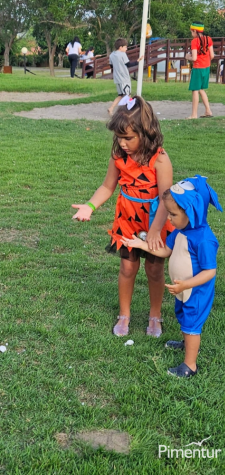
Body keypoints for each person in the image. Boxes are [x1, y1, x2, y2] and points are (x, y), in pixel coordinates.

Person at [71, 96, 174, 338]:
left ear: (146, 132)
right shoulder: (119, 158)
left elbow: (166, 200)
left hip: (154, 222)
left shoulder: (160, 159)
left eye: (128, 138)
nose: (123, 143)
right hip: (127, 221)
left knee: (155, 270)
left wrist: (154, 232)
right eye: (119, 137)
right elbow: (107, 187)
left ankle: (155, 315)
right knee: (127, 268)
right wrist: (89, 206)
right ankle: (124, 315)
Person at [121, 175, 222, 378]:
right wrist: (142, 245)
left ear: (192, 212)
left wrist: (186, 285)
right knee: (185, 319)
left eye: (173, 214)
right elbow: (166, 251)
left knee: (192, 324)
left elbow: (210, 271)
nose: (169, 219)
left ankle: (190, 365)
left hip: (195, 291)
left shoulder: (204, 240)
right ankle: (188, 344)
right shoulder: (180, 231)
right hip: (183, 289)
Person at [108, 38, 144, 116]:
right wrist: (138, 60)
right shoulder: (122, 54)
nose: (126, 49)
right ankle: (128, 112)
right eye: (125, 47)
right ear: (120, 47)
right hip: (124, 78)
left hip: (117, 78)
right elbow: (128, 65)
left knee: (120, 95)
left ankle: (111, 108)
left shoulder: (111, 55)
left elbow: (111, 66)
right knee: (128, 96)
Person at [186, 22, 215, 119]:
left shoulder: (195, 41)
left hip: (198, 68)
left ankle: (194, 114)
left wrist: (187, 57)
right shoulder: (208, 39)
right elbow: (212, 55)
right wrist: (205, 61)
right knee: (201, 89)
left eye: (191, 31)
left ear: (194, 31)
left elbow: (194, 58)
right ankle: (208, 110)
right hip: (206, 67)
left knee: (195, 90)